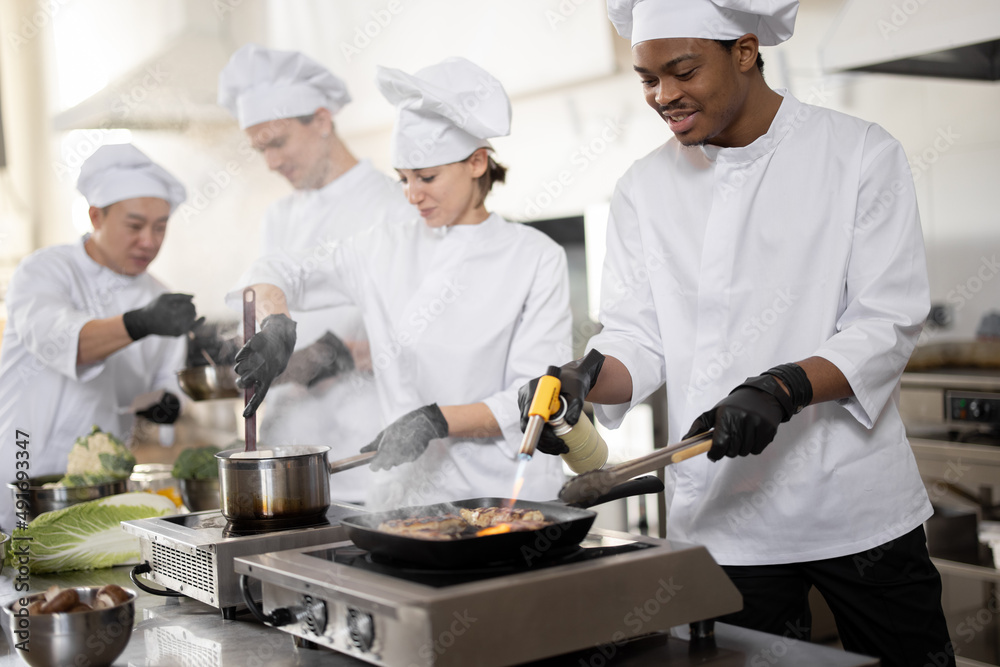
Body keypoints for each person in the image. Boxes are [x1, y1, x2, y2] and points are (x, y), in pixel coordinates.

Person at [518, 1, 955, 665]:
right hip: (724, 519)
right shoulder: (643, 187)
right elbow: (640, 338)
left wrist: (784, 385)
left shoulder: (859, 152)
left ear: (745, 50)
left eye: (682, 70)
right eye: (646, 79)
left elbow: (886, 320)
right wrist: (582, 376)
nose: (663, 96)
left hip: (855, 505)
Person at [229, 57, 571, 508]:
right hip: (404, 503)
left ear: (477, 162)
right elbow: (281, 268)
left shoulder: (535, 257)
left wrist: (435, 421)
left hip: (507, 497)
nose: (412, 195)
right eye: (403, 179)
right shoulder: (383, 246)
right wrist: (275, 319)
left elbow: (537, 396)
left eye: (427, 178)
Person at [218, 44, 414, 503]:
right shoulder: (279, 216)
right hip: (286, 451)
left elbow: (421, 339)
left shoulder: (392, 206)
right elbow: (269, 288)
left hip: (362, 454)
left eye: (278, 142)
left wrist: (339, 356)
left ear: (322, 120)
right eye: (259, 148)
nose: (270, 161)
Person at [0, 144, 197, 532]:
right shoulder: (45, 271)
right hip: (14, 473)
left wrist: (167, 403)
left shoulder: (160, 296)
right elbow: (65, 343)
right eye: (135, 225)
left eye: (160, 227)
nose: (149, 241)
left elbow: (164, 388)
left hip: (96, 493)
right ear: (96, 216)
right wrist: (139, 323)